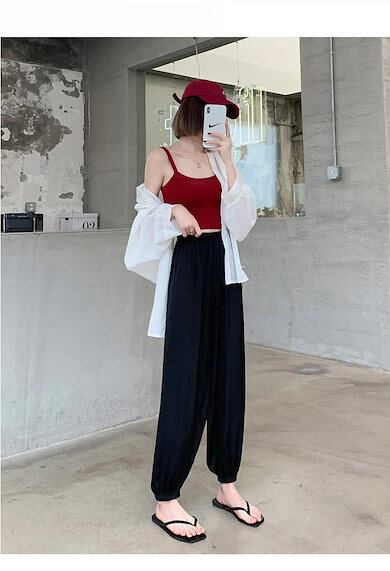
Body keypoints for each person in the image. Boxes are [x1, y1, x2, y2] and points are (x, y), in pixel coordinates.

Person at [125, 79, 263, 543]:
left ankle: (227, 484)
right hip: (188, 265)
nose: (220, 123)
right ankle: (166, 497)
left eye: (225, 116)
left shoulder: (222, 161)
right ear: (195, 111)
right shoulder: (161, 157)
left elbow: (241, 223)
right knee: (186, 377)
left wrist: (229, 159)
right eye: (215, 112)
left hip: (224, 268)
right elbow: (143, 217)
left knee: (228, 376)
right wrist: (173, 211)